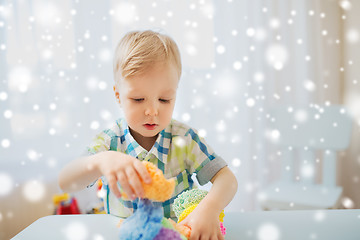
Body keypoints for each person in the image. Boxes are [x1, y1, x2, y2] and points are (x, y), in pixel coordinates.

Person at [58, 30, 238, 240]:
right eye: (138, 99)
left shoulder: (185, 139)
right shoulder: (110, 142)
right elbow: (66, 182)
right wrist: (100, 161)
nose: (152, 111)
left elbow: (227, 179)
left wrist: (210, 208)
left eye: (164, 100)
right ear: (118, 95)